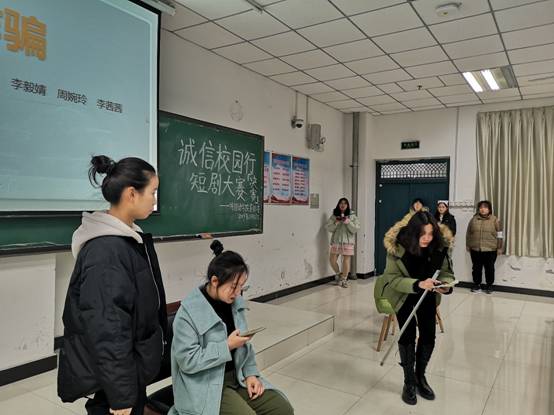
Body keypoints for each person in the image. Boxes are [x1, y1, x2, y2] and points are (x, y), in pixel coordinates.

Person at [58, 155, 168, 415]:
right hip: (115, 383)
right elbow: (108, 330)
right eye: (152, 192)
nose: (154, 200)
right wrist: (122, 396)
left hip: (129, 368)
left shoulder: (127, 239)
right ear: (131, 194)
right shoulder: (106, 252)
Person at [169, 240, 294, 415]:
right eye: (233, 287)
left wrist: (250, 374)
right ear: (215, 281)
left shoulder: (235, 304)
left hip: (237, 377)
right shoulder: (188, 313)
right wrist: (226, 346)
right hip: (205, 384)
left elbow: (245, 347)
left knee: (282, 409)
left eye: (241, 287)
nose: (237, 293)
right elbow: (187, 361)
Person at [379, 211, 455, 405]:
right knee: (408, 334)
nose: (427, 238)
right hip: (403, 295)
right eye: (422, 234)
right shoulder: (397, 247)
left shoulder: (439, 246)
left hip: (427, 295)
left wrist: (445, 285)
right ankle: (409, 382)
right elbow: (392, 279)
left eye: (430, 234)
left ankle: (420, 376)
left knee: (429, 335)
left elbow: (446, 272)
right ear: (413, 232)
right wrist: (418, 284)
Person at [466, 200, 503, 294]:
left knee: (489, 268)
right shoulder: (473, 219)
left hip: (490, 249)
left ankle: (489, 285)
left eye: (485, 207)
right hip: (475, 249)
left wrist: (499, 247)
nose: (483, 209)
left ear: (489, 209)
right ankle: (476, 284)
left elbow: (500, 234)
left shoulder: (495, 220)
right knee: (476, 268)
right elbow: (468, 233)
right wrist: (468, 245)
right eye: (481, 207)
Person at [325, 197, 360, 288]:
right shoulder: (334, 215)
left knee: (346, 260)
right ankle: (339, 274)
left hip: (347, 241)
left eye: (345, 203)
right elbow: (328, 227)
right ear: (338, 204)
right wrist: (336, 222)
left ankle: (344, 279)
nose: (343, 205)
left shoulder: (352, 215)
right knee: (332, 260)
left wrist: (348, 222)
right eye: (341, 203)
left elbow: (355, 229)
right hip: (336, 241)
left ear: (347, 205)